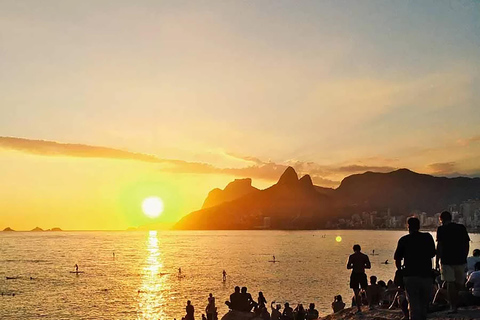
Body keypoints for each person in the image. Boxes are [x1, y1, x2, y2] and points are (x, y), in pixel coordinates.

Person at [394, 217, 436, 320]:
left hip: (410, 275)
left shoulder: (404, 240)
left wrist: (400, 271)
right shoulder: (427, 237)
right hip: (426, 275)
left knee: (413, 304)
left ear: (408, 226)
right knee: (424, 304)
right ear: (419, 226)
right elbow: (432, 254)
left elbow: (397, 258)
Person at [436, 211, 470, 313]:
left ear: (441, 219)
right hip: (460, 259)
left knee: (450, 283)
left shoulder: (441, 229)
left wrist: (437, 261)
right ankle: (460, 303)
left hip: (447, 260)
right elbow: (467, 243)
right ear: (451, 218)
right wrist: (465, 256)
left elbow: (439, 246)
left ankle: (453, 306)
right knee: (459, 284)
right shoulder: (461, 227)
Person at [347, 244, 371, 313]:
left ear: (353, 249)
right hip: (362, 274)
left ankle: (359, 308)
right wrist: (362, 266)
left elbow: (348, 266)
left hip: (355, 274)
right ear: (360, 249)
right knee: (366, 290)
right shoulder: (364, 256)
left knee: (356, 292)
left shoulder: (352, 256)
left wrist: (354, 266)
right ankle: (370, 305)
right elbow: (369, 266)